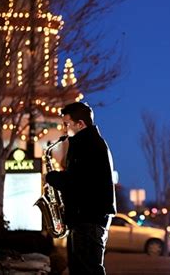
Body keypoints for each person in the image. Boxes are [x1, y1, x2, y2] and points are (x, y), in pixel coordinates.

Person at [46, 102, 116, 275]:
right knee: (80, 269)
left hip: (88, 219)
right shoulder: (86, 142)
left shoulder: (89, 145)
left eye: (66, 124)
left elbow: (78, 180)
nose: (64, 129)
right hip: (84, 218)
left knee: (88, 269)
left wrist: (53, 177)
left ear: (80, 124)